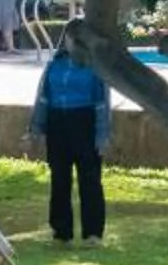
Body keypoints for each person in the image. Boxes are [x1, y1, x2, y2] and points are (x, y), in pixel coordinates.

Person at [29, 34, 112, 246]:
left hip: (84, 122)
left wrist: (102, 135)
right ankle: (61, 232)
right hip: (58, 123)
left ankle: (92, 233)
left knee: (90, 179)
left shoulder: (94, 67)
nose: (71, 42)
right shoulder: (54, 65)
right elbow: (43, 98)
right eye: (68, 38)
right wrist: (35, 129)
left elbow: (102, 103)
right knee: (59, 179)